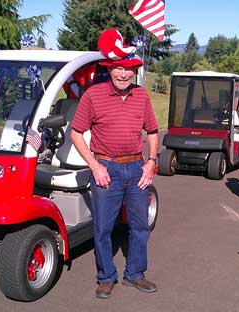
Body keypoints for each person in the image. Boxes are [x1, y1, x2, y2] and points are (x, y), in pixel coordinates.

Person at [70, 28, 159, 299]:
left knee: (140, 226)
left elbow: (153, 132)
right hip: (105, 168)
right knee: (104, 227)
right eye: (118, 68)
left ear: (134, 72)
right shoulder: (92, 96)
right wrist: (95, 167)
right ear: (110, 69)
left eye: (128, 69)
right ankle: (106, 276)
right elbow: (76, 133)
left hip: (136, 169)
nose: (123, 74)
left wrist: (151, 163)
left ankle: (135, 274)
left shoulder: (142, 96)